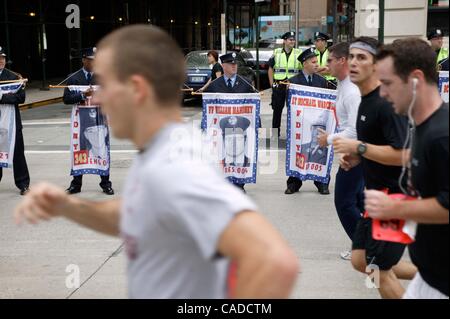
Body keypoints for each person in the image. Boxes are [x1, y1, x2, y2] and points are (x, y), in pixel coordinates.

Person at [14, 25, 299, 299]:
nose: (100, 98)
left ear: (136, 89)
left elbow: (276, 263)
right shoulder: (159, 150)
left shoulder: (176, 164)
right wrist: (67, 206)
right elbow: (137, 213)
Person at [332, 37, 417, 299]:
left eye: (362, 58)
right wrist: (358, 158)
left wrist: (358, 148)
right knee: (360, 260)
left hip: (397, 198)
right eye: (352, 57)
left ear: (377, 65)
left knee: (377, 268)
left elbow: (405, 154)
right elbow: (376, 146)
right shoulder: (365, 100)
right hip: (377, 198)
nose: (354, 63)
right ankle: (433, 272)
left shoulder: (385, 103)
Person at [365, 38, 448, 299]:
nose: (382, 93)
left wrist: (394, 208)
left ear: (415, 79)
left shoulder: (442, 135)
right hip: (428, 276)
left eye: (388, 83)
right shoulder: (423, 126)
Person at [317, 42, 364, 260]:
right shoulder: (344, 85)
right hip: (356, 152)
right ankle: (372, 244)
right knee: (361, 201)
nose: (325, 64)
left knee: (344, 202)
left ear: (342, 61)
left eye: (330, 60)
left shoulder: (351, 91)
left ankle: (363, 248)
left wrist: (329, 139)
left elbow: (355, 129)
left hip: (358, 154)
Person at [63, 47, 114, 195]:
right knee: (80, 149)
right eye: (91, 60)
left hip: (99, 120)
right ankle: (76, 184)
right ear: (84, 60)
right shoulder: (73, 78)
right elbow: (66, 99)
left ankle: (105, 183)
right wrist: (82, 95)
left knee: (102, 151)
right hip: (81, 121)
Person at [205, 52, 258, 192]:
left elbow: (253, 105)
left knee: (240, 154)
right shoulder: (214, 85)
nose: (234, 66)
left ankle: (239, 184)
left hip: (240, 129)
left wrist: (256, 123)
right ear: (223, 66)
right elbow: (208, 109)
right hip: (222, 130)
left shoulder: (245, 83)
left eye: (235, 64)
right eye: (231, 64)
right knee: (222, 155)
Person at [285, 48, 330, 196]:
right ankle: (294, 183)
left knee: (320, 152)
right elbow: (289, 103)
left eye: (317, 62)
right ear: (305, 64)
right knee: (298, 151)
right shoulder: (293, 82)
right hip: (300, 124)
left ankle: (322, 182)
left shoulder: (322, 81)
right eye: (313, 62)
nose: (317, 64)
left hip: (318, 125)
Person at [0, 45, 30, 195]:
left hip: (12, 123)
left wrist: (1, 97)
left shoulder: (14, 77)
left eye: (3, 58)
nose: (1, 60)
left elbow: (20, 97)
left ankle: (23, 184)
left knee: (18, 153)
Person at [268, 31, 303, 136]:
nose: (292, 41)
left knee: (293, 111)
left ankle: (292, 134)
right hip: (279, 85)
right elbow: (270, 69)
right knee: (277, 111)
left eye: (293, 39)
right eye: (290, 39)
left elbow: (302, 69)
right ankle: (275, 134)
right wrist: (272, 85)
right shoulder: (277, 52)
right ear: (285, 41)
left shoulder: (298, 53)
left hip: (292, 86)